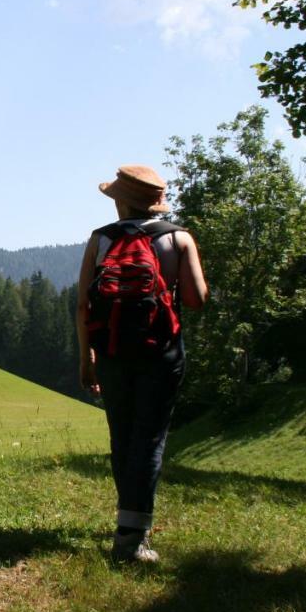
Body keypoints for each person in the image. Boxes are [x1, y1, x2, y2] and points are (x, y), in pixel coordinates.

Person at [76, 164, 208, 564]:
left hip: (113, 352)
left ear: (120, 201)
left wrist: (87, 359)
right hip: (161, 353)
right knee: (149, 440)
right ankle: (131, 539)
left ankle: (127, 524)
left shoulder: (101, 240)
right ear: (156, 203)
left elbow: (83, 305)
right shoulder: (179, 238)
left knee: (123, 437)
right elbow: (196, 299)